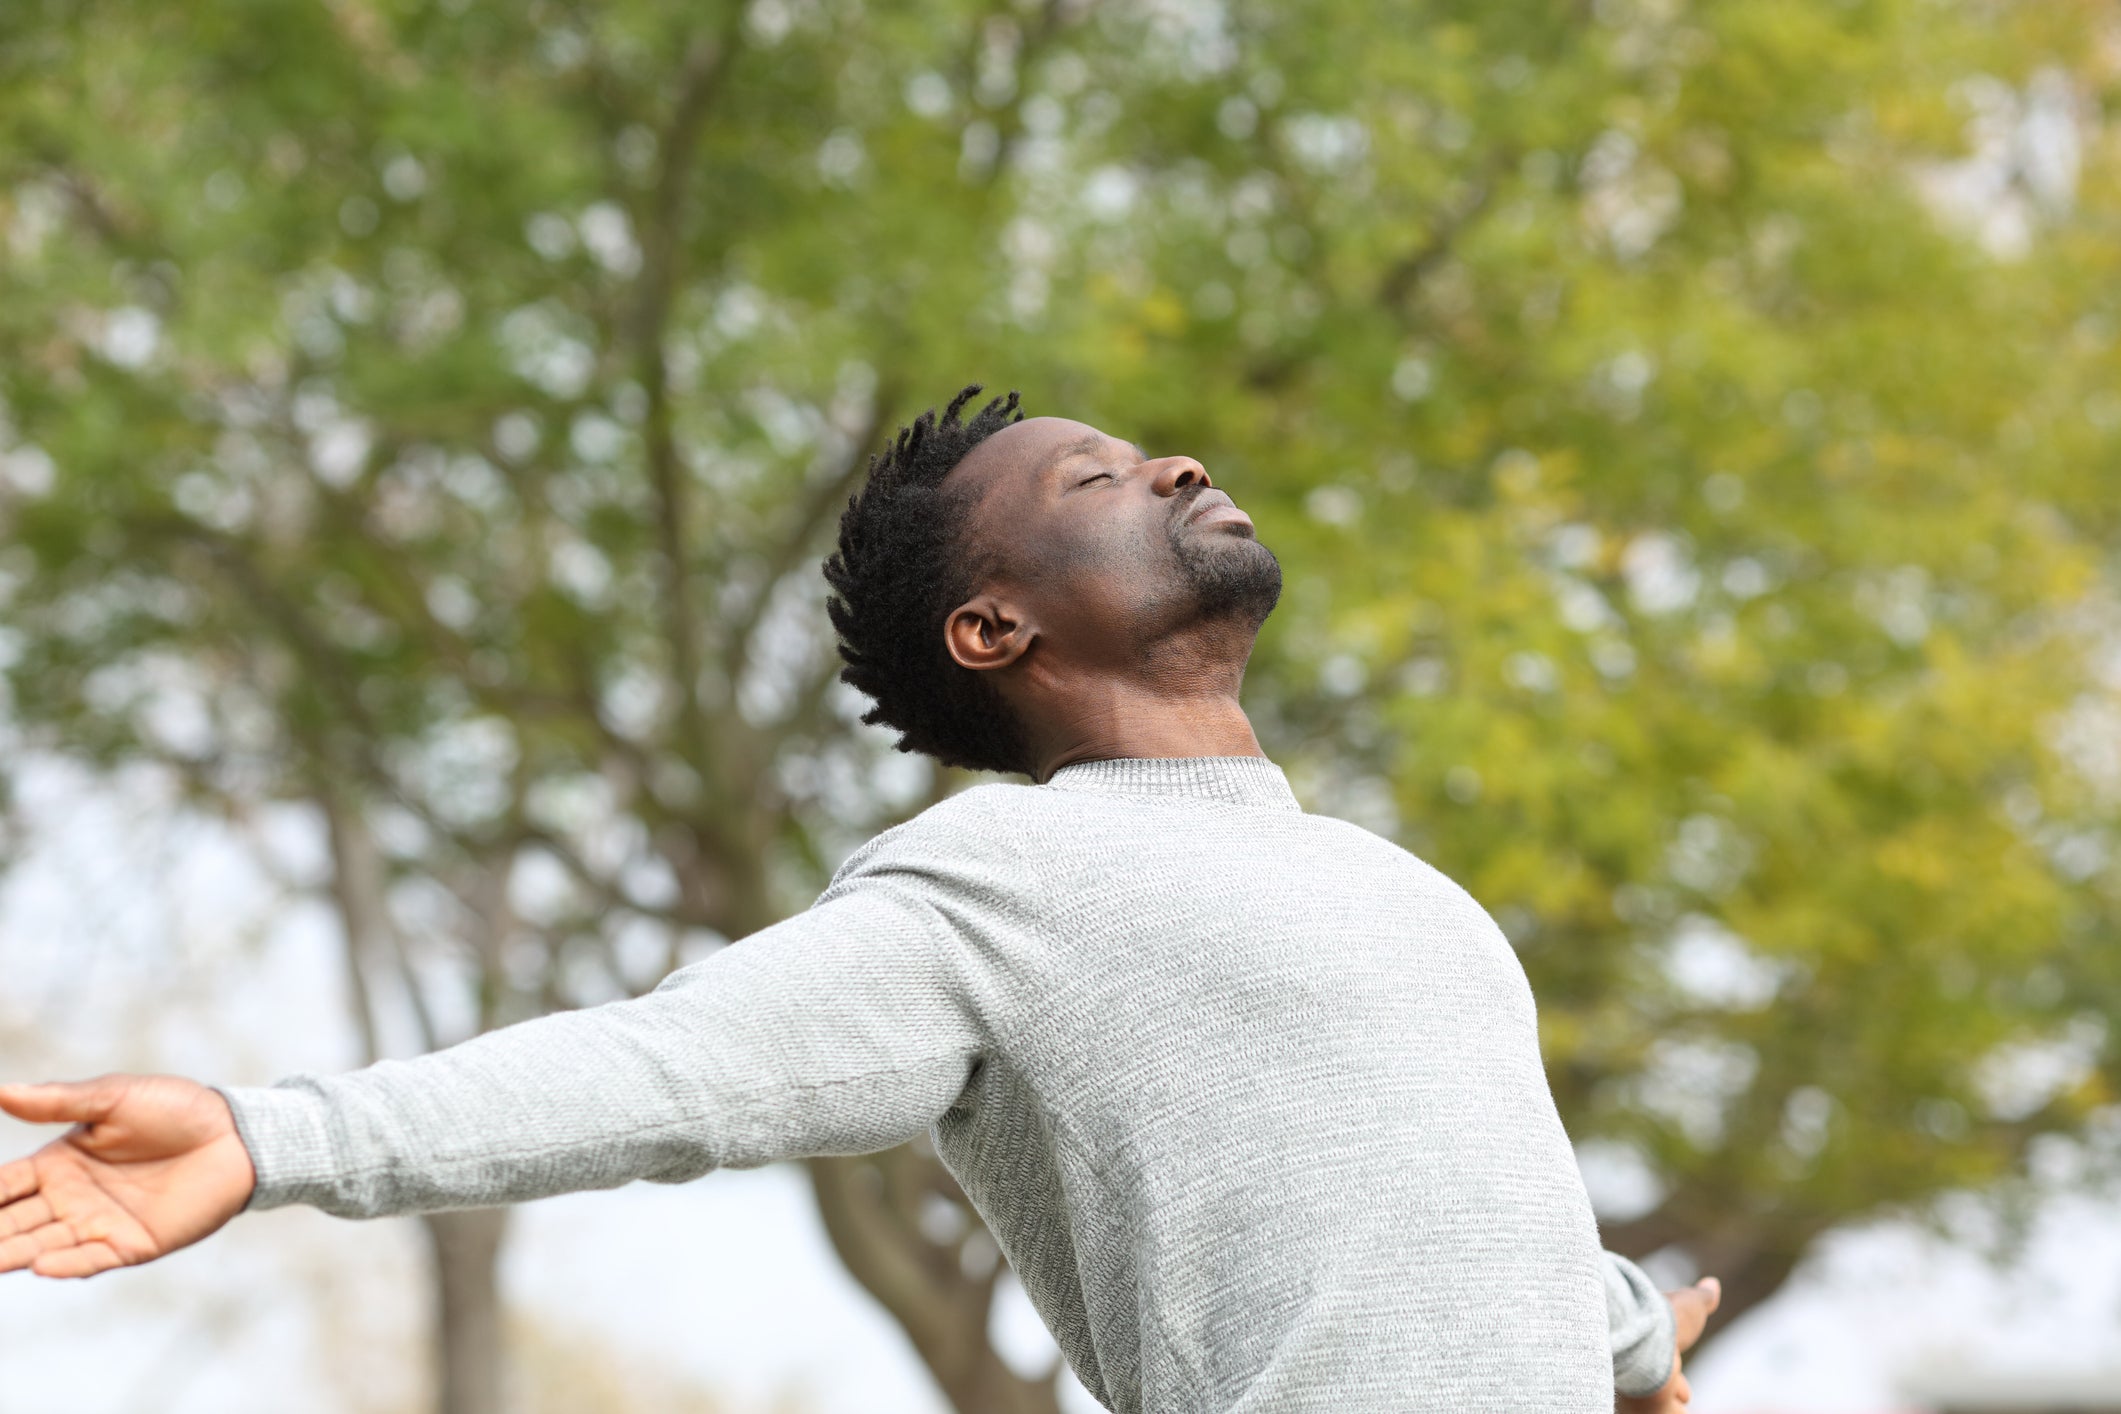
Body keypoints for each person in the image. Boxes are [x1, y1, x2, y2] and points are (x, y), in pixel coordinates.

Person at [0, 388, 1719, 1411]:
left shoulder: (1405, 892)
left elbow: (1439, 1236)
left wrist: (1629, 1336)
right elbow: (669, 1068)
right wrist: (270, 1132)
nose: (1178, 465)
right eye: (1100, 480)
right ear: (996, 630)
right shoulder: (997, 885)